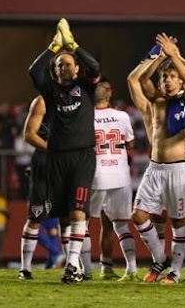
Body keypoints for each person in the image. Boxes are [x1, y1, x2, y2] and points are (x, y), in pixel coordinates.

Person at [127, 34, 185, 284]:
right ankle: (159, 260)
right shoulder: (154, 102)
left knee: (184, 222)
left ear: (179, 81)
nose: (166, 80)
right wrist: (158, 55)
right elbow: (135, 79)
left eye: (171, 76)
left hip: (177, 169)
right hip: (154, 169)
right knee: (139, 216)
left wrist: (175, 57)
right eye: (163, 77)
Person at [28, 18, 101, 283]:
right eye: (59, 64)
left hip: (82, 156)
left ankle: (71, 264)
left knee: (78, 210)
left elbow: (94, 66)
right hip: (56, 158)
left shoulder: (87, 87)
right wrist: (54, 47)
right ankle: (77, 268)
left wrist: (73, 45)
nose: (64, 67)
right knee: (64, 215)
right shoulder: (50, 90)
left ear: (76, 68)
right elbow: (34, 72)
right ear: (55, 71)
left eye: (68, 63)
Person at [80, 77, 139, 282]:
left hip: (95, 175)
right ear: (109, 94)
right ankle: (131, 269)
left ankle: (87, 271)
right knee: (120, 225)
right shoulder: (122, 116)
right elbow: (130, 144)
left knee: (83, 223)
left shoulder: (85, 116)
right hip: (120, 175)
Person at [18, 95, 56, 280]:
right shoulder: (43, 101)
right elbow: (29, 134)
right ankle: (25, 268)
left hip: (71, 163)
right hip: (45, 163)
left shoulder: (80, 101)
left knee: (71, 217)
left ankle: (74, 265)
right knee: (35, 217)